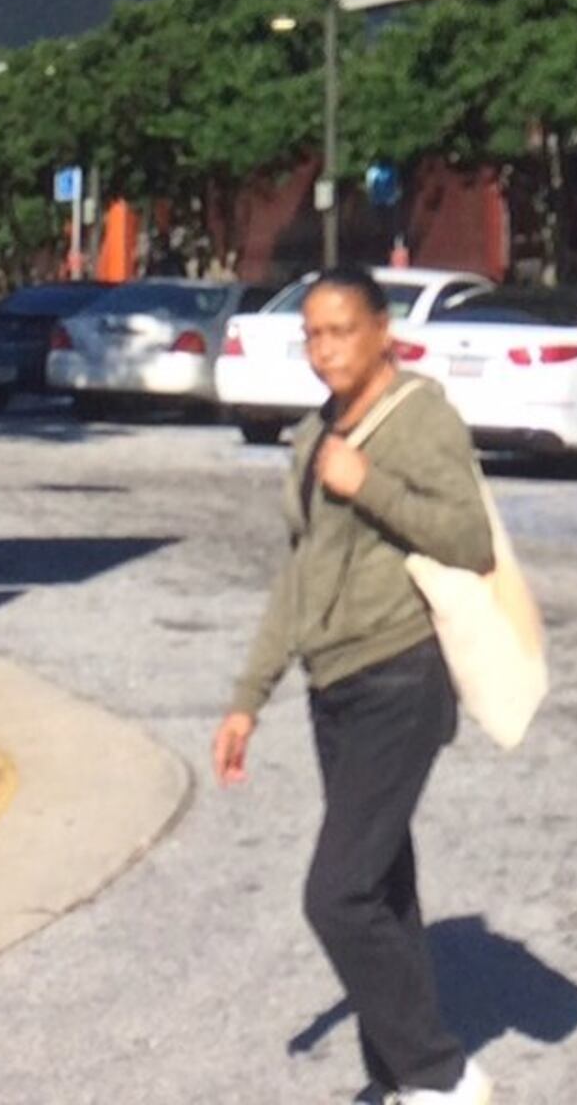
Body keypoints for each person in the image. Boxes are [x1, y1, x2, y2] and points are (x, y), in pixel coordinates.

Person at [213, 268, 498, 1105]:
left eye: (341, 330)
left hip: (401, 676)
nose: (326, 348)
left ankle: (443, 1075)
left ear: (383, 330)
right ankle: (402, 1077)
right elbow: (298, 574)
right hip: (331, 682)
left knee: (335, 894)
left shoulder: (420, 418)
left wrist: (365, 482)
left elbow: (470, 538)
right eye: (313, 334)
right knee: (380, 884)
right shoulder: (314, 434)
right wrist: (247, 698)